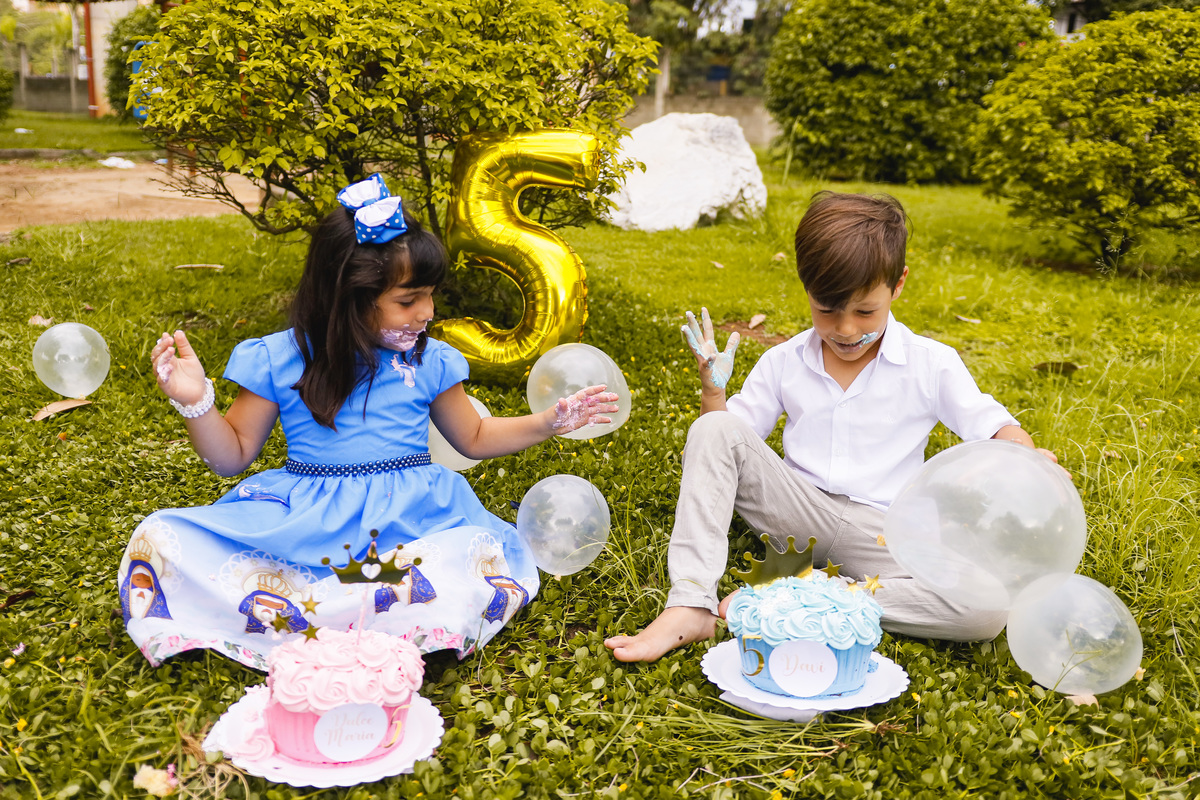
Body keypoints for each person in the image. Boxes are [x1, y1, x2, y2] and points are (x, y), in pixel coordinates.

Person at [118, 174, 618, 671]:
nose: (427, 312)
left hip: (413, 524)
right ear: (350, 296)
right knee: (159, 538)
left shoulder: (429, 361)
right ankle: (351, 616)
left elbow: (474, 436)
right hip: (310, 528)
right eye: (408, 300)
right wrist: (197, 403)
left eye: (430, 295)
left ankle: (378, 619)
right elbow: (231, 457)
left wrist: (548, 421)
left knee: (461, 557)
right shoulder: (280, 358)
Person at [605, 191, 1060, 663]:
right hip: (796, 513)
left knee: (986, 609)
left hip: (886, 532)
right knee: (713, 428)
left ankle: (810, 596)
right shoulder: (783, 361)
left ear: (898, 285)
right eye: (827, 309)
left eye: (864, 312)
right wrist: (713, 395)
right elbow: (720, 447)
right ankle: (691, 604)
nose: (845, 329)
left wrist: (1025, 458)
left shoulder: (932, 363)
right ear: (807, 289)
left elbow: (995, 427)